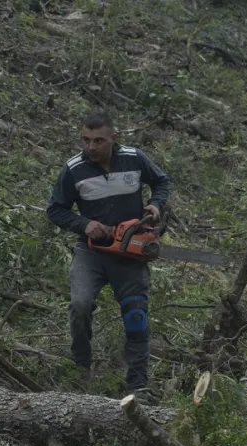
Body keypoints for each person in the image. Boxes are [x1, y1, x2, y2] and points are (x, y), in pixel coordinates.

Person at [46, 111, 170, 402]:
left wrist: (155, 204)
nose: (91, 147)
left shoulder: (134, 159)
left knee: (136, 315)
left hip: (130, 253)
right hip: (92, 251)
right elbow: (55, 210)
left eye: (98, 141)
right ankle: (80, 371)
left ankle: (137, 385)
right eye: (86, 140)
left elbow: (162, 182)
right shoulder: (74, 169)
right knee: (80, 304)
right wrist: (83, 224)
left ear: (114, 138)